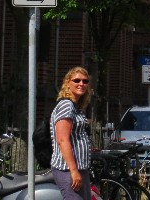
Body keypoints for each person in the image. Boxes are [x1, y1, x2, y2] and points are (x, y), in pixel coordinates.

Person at [51, 67, 92, 200]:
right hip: (67, 169)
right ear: (68, 83)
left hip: (80, 167)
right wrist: (73, 171)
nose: (81, 84)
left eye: (85, 81)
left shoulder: (76, 107)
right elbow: (62, 140)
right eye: (77, 80)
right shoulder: (66, 106)